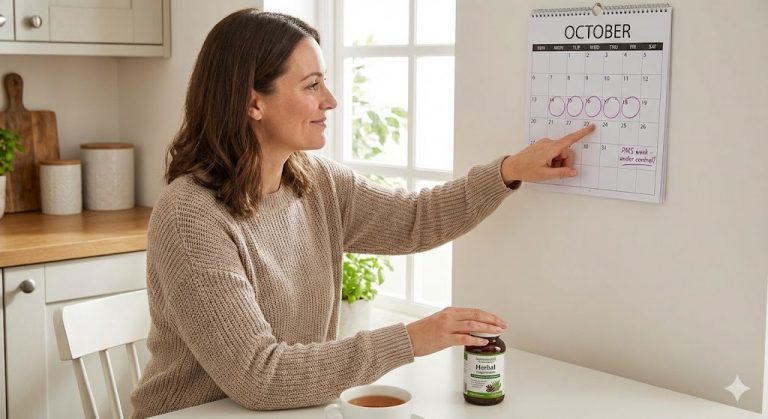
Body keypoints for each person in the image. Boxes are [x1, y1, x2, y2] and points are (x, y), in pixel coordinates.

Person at [130, 9, 595, 419]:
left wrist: (510, 171)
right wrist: (413, 338)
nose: (330, 100)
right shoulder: (190, 215)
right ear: (254, 102)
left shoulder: (316, 183)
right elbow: (260, 376)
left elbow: (417, 219)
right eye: (311, 85)